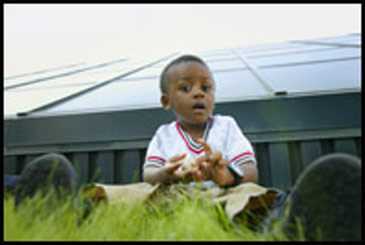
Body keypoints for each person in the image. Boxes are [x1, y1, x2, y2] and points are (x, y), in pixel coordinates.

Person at [143, 55, 258, 188]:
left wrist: (229, 177)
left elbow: (250, 171)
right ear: (167, 101)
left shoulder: (226, 126)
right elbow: (148, 175)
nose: (199, 93)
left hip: (225, 197)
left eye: (205, 87)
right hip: (179, 199)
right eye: (186, 88)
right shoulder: (164, 135)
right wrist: (165, 175)